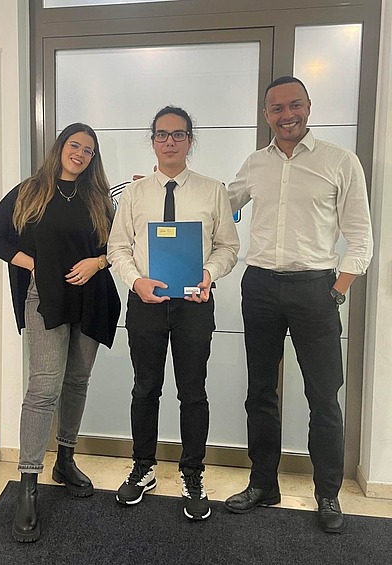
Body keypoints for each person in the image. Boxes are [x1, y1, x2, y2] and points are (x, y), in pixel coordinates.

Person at [224, 76, 373, 534]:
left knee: (323, 396)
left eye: (294, 105)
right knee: (260, 392)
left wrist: (337, 289)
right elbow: (221, 204)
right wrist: (163, 190)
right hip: (260, 286)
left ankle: (327, 493)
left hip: (316, 289)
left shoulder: (340, 161)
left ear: (308, 106)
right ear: (266, 114)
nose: (286, 115)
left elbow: (361, 236)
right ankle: (262, 484)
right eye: (277, 108)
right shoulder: (255, 163)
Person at [0, 123, 121, 543]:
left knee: (77, 381)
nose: (80, 153)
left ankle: (66, 460)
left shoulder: (99, 198)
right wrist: (31, 262)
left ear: (93, 159)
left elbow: (119, 247)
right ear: (60, 147)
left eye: (88, 150)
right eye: (75, 145)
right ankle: (28, 485)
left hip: (91, 294)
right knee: (43, 389)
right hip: (45, 297)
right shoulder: (29, 191)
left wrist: (98, 262)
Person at [107, 106, 239, 521]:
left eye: (178, 134)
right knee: (145, 389)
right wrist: (136, 281)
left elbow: (229, 246)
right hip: (145, 304)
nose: (170, 142)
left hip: (194, 306)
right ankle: (143, 467)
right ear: (152, 141)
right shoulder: (135, 193)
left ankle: (192, 473)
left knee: (193, 392)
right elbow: (117, 248)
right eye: (162, 134)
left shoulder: (212, 191)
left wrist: (208, 273)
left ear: (189, 141)